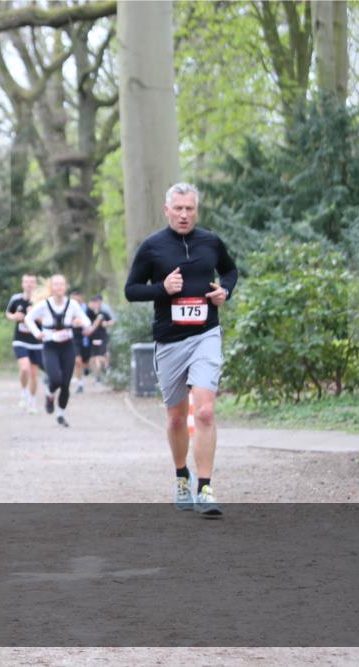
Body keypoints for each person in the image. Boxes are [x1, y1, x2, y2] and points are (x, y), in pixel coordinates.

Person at [124, 182, 238, 517]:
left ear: (196, 210)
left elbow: (230, 271)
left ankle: (205, 488)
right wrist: (162, 288)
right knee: (176, 417)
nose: (184, 215)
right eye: (178, 209)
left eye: (190, 209)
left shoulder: (211, 241)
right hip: (170, 340)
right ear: (167, 210)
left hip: (206, 335)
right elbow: (131, 290)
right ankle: (181, 477)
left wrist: (225, 291)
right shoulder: (152, 247)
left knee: (204, 413)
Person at [25, 274, 90, 427]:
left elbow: (86, 320)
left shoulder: (72, 304)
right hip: (50, 346)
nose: (59, 287)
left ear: (66, 287)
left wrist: (81, 322)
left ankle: (61, 414)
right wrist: (37, 333)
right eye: (56, 284)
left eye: (62, 284)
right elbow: (28, 318)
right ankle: (49, 393)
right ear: (51, 287)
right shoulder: (44, 305)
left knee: (65, 384)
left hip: (67, 346)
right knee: (55, 380)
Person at [6, 274, 43, 412]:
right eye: (26, 282)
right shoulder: (16, 299)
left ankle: (32, 401)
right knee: (24, 368)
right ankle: (23, 391)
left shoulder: (41, 301)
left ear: (36, 284)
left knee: (34, 374)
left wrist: (35, 316)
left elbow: (47, 320)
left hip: (36, 341)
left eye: (32, 282)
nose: (29, 284)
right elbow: (8, 314)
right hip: (20, 340)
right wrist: (15, 316)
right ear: (22, 284)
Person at [84, 294, 116, 383]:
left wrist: (107, 323)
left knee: (100, 356)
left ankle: (107, 367)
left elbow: (112, 321)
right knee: (94, 358)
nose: (95, 304)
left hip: (102, 336)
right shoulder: (88, 313)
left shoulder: (103, 312)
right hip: (92, 338)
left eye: (97, 303)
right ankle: (98, 375)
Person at [69, 291, 90, 394]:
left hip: (85, 338)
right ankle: (80, 384)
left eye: (77, 300)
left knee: (85, 362)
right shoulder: (67, 310)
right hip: (73, 338)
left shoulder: (86, 309)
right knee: (77, 361)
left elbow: (92, 321)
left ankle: (86, 369)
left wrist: (84, 325)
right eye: (73, 300)